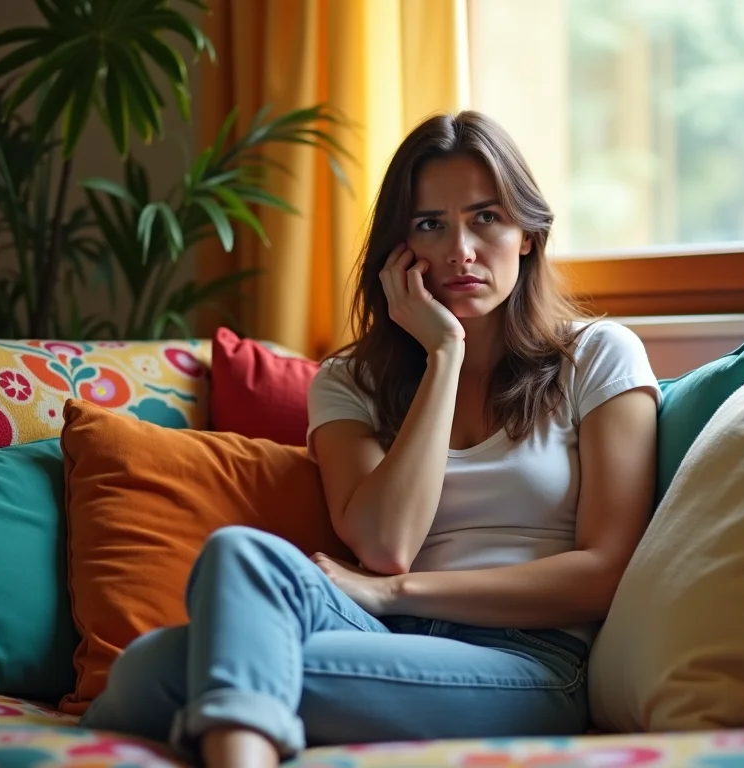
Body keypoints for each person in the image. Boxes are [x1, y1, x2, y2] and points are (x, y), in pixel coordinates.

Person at [81, 111, 660, 768]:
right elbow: (387, 543)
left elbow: (604, 571)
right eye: (429, 225)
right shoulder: (349, 381)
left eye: (486, 217)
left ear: (528, 234)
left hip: (528, 660)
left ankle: (236, 714)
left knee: (162, 673)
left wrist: (396, 593)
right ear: (398, 249)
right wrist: (444, 354)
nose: (459, 250)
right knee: (238, 559)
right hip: (375, 635)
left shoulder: (600, 357)